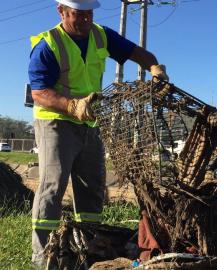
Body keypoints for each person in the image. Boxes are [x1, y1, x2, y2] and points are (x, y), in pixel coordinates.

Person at [28, 0, 169, 267]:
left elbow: (141, 54)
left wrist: (155, 68)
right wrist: (72, 105)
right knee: (52, 185)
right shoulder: (48, 44)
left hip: (90, 124)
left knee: (92, 187)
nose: (85, 20)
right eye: (78, 15)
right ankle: (43, 256)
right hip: (55, 122)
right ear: (61, 11)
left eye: (89, 14)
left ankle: (87, 250)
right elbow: (39, 92)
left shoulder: (100, 34)